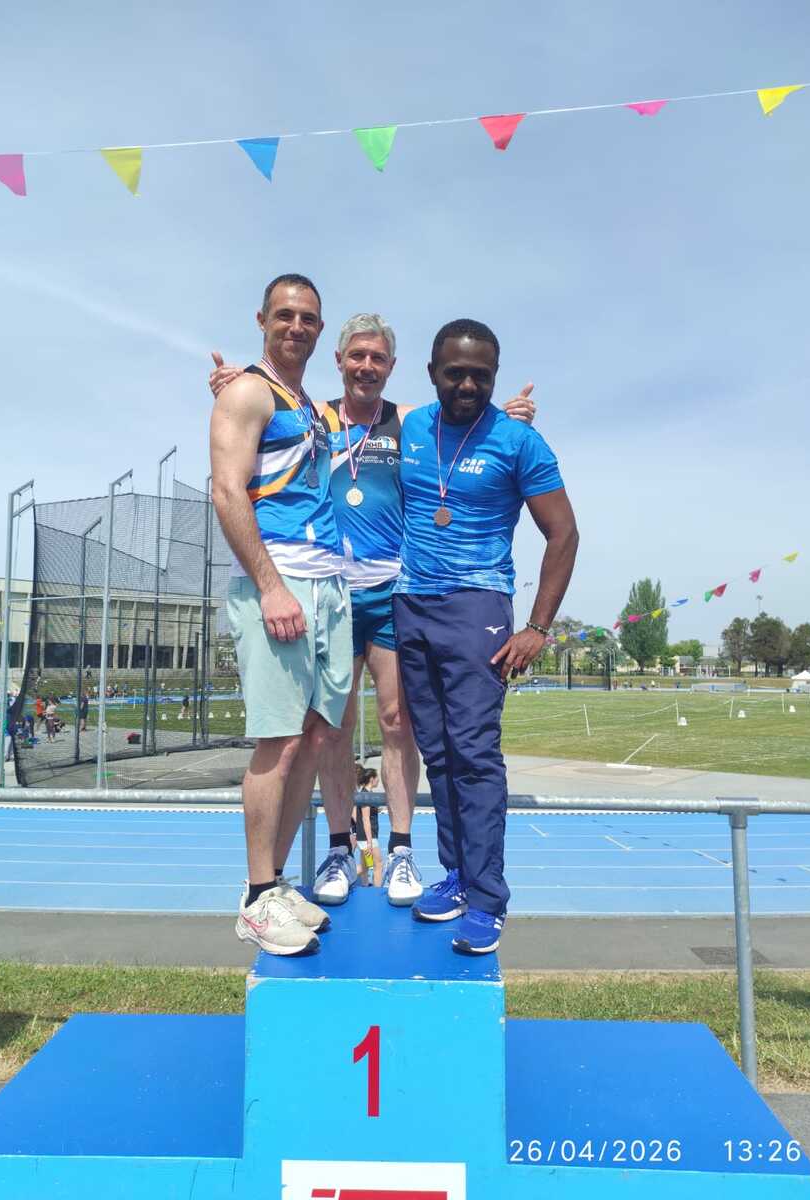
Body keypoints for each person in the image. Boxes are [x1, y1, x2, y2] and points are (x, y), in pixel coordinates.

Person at [210, 314, 535, 908]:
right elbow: (260, 414)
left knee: (397, 720)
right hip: (331, 589)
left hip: (391, 589)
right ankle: (340, 846)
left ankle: (402, 848)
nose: (366, 367)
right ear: (339, 361)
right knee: (330, 728)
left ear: (392, 366)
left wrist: (507, 419)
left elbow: (463, 419)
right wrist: (234, 385)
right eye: (356, 356)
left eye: (378, 358)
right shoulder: (313, 415)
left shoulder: (408, 421)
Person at [394, 319, 578, 955]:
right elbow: (343, 416)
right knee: (438, 754)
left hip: (478, 606)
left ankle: (488, 897)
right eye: (456, 373)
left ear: (495, 377)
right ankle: (456, 876)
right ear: (433, 373)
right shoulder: (409, 427)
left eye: (482, 375)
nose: (468, 385)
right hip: (410, 604)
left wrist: (538, 627)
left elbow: (564, 533)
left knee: (474, 752)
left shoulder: (519, 440)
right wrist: (243, 384)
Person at [210, 273, 352, 956]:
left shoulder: (315, 409)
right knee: (280, 740)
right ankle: (256, 896)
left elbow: (391, 412)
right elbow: (227, 491)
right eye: (285, 315)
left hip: (330, 583)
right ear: (263, 319)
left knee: (318, 738)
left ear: (320, 329)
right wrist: (270, 587)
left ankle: (275, 883)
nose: (297, 326)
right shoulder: (246, 392)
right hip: (281, 577)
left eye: (309, 318)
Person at [353, 765, 382, 886]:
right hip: (368, 838)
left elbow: (365, 813)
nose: (378, 780)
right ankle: (377, 891)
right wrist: (369, 842)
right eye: (377, 777)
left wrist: (375, 809)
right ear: (371, 779)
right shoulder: (366, 795)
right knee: (378, 865)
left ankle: (363, 885)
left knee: (364, 867)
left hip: (365, 837)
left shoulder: (367, 794)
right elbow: (365, 819)